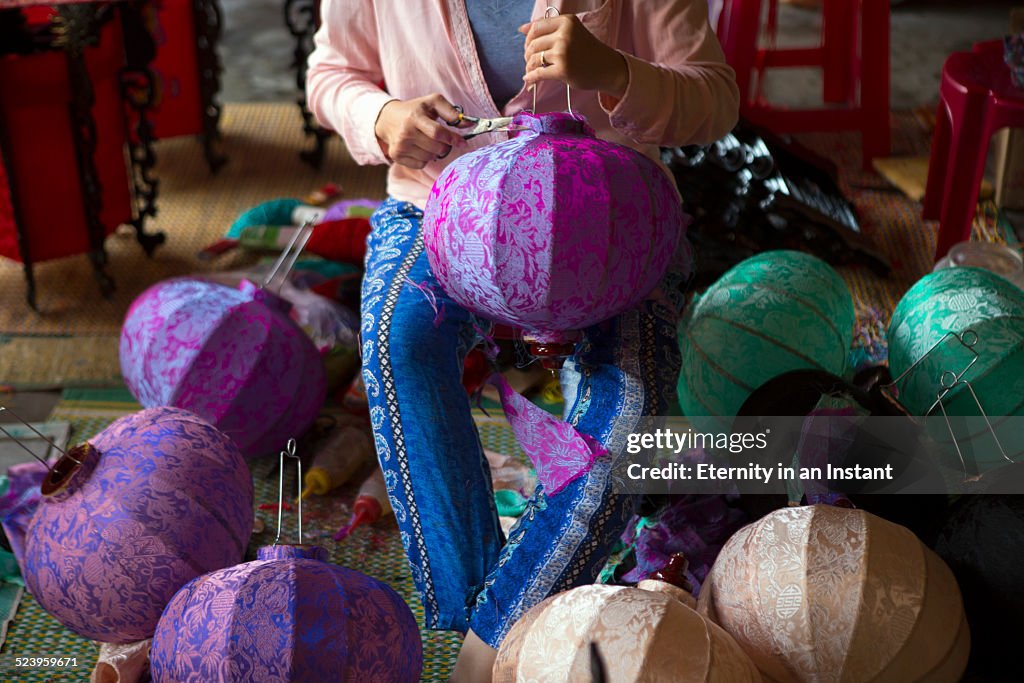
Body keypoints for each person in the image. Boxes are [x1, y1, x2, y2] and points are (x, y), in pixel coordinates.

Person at [307, 2, 738, 680]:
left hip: (610, 207)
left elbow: (715, 98)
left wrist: (614, 73)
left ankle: (483, 648)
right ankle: (492, 612)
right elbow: (331, 73)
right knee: (400, 344)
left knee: (632, 407)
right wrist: (382, 119)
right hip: (438, 196)